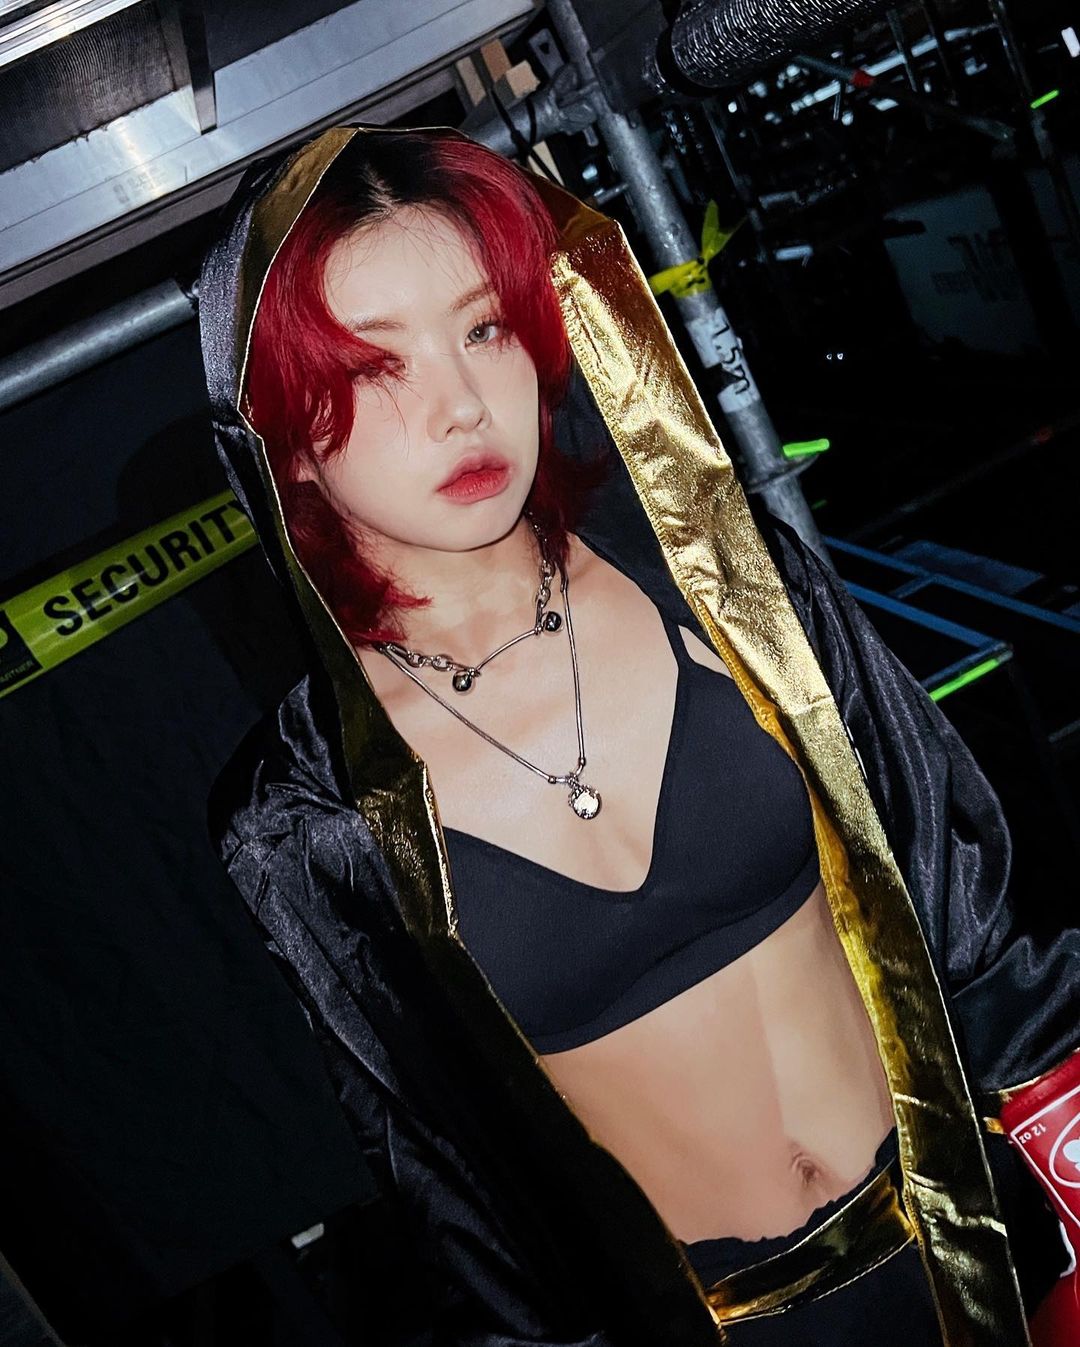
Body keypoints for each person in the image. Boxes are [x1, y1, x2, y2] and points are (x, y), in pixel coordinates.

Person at [200, 124, 1079, 1345]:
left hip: (978, 1247)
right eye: (375, 365)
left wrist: (1063, 1142)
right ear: (282, 434)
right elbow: (454, 1179)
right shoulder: (305, 814)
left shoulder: (726, 581)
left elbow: (954, 883)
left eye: (484, 329)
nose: (462, 407)